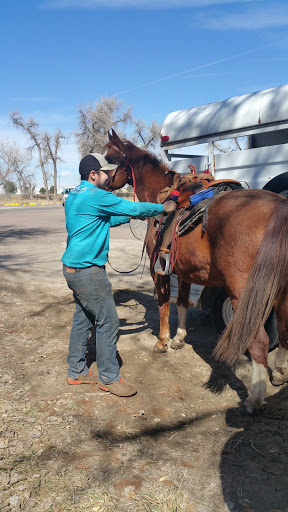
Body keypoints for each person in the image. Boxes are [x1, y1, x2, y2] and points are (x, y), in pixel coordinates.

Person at [62, 152, 176, 397]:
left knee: (83, 319)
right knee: (109, 321)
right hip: (88, 271)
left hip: (73, 269)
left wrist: (130, 216)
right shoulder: (97, 195)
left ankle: (76, 371)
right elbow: (131, 206)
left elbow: (103, 220)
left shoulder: (75, 195)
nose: (110, 176)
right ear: (93, 175)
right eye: (106, 172)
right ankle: (109, 377)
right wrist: (161, 207)